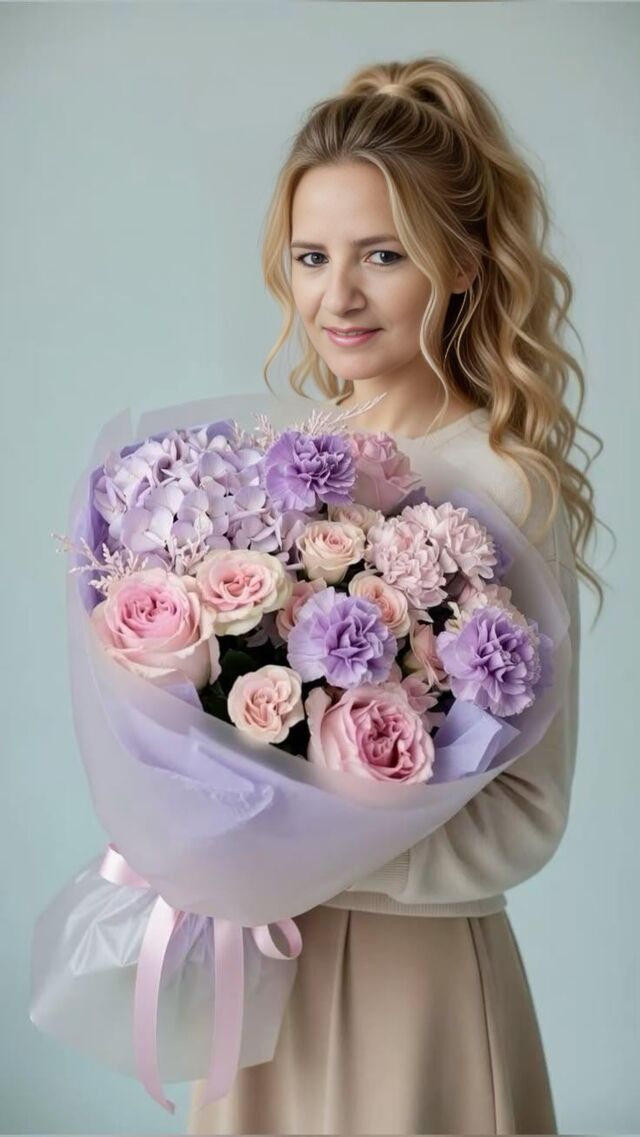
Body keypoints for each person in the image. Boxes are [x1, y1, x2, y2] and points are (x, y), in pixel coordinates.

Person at [189, 55, 608, 1136]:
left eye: (383, 254)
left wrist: (302, 848)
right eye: (312, 257)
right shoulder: (281, 468)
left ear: (460, 261)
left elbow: (528, 815)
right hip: (264, 971)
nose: (338, 296)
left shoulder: (503, 486)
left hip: (413, 983)